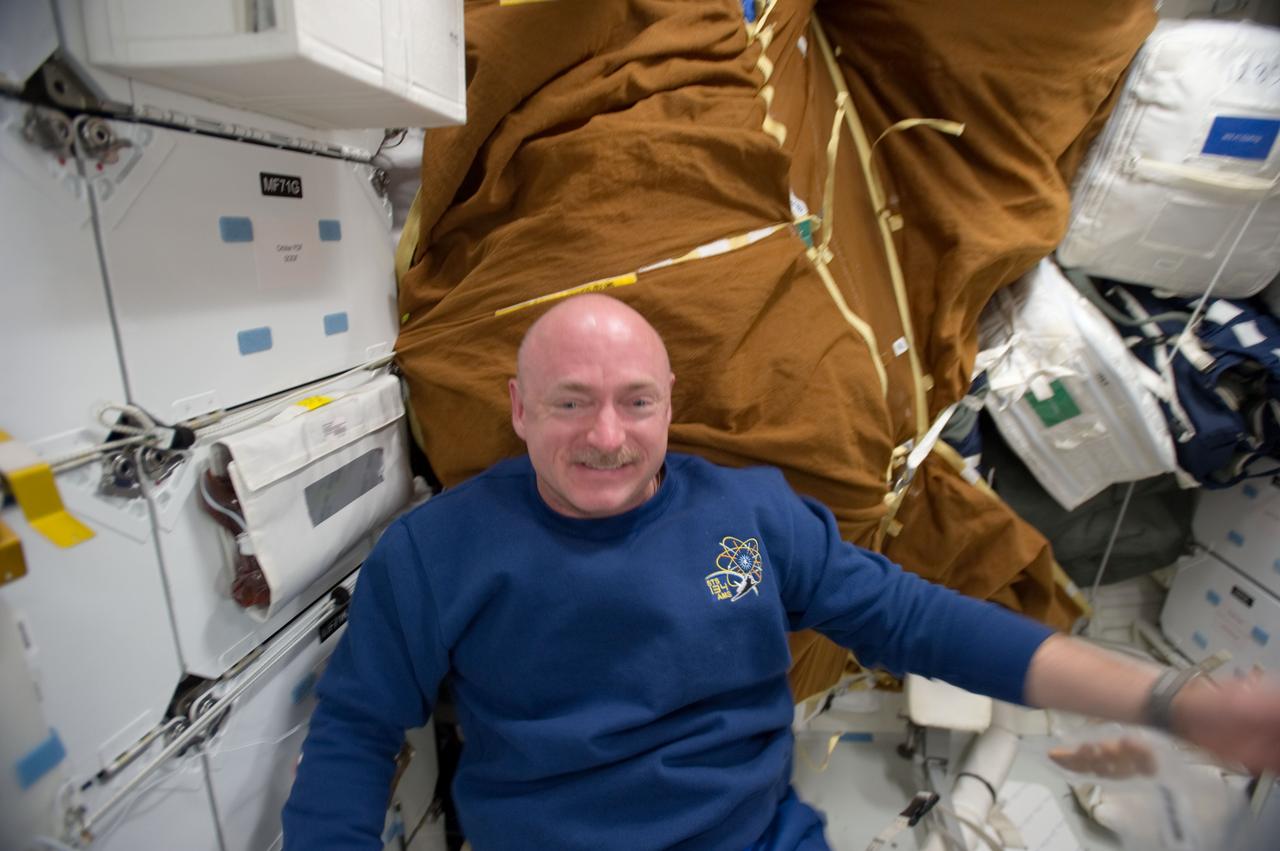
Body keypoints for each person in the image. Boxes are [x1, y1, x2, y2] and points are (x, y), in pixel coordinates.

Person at [283, 294, 1280, 850]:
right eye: (569, 401)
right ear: (517, 407)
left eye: (636, 401)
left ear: (671, 402)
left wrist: (1169, 703)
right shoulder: (437, 550)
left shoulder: (747, 517)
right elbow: (355, 729)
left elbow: (924, 622)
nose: (606, 435)